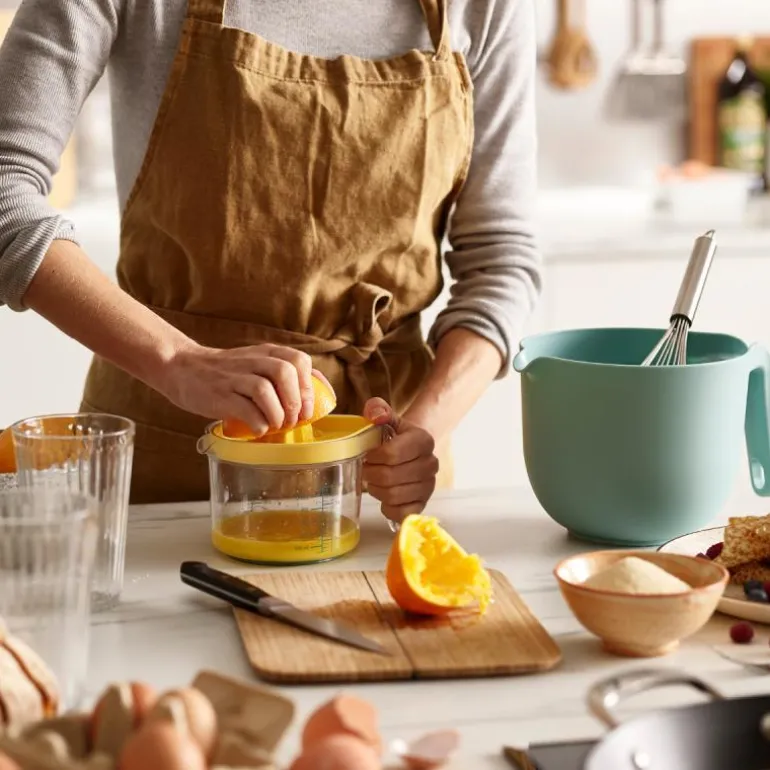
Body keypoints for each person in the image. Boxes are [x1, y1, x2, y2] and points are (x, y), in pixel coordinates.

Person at [0, 0, 541, 520]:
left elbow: (502, 261)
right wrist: (176, 361)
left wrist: (424, 427)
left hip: (382, 497)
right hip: (163, 482)